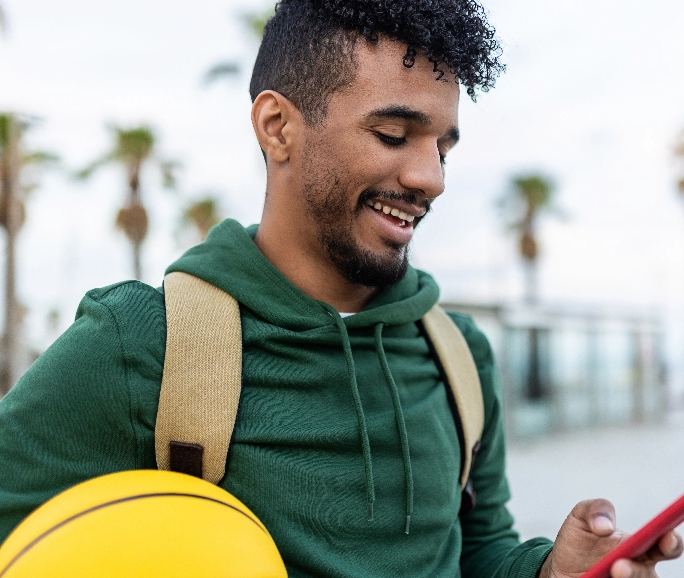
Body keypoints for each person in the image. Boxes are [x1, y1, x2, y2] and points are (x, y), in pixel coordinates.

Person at [0, 0, 681, 576]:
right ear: (277, 128)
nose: (431, 179)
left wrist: (547, 568)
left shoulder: (459, 356)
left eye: (443, 147)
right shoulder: (140, 343)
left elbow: (479, 550)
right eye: (393, 134)